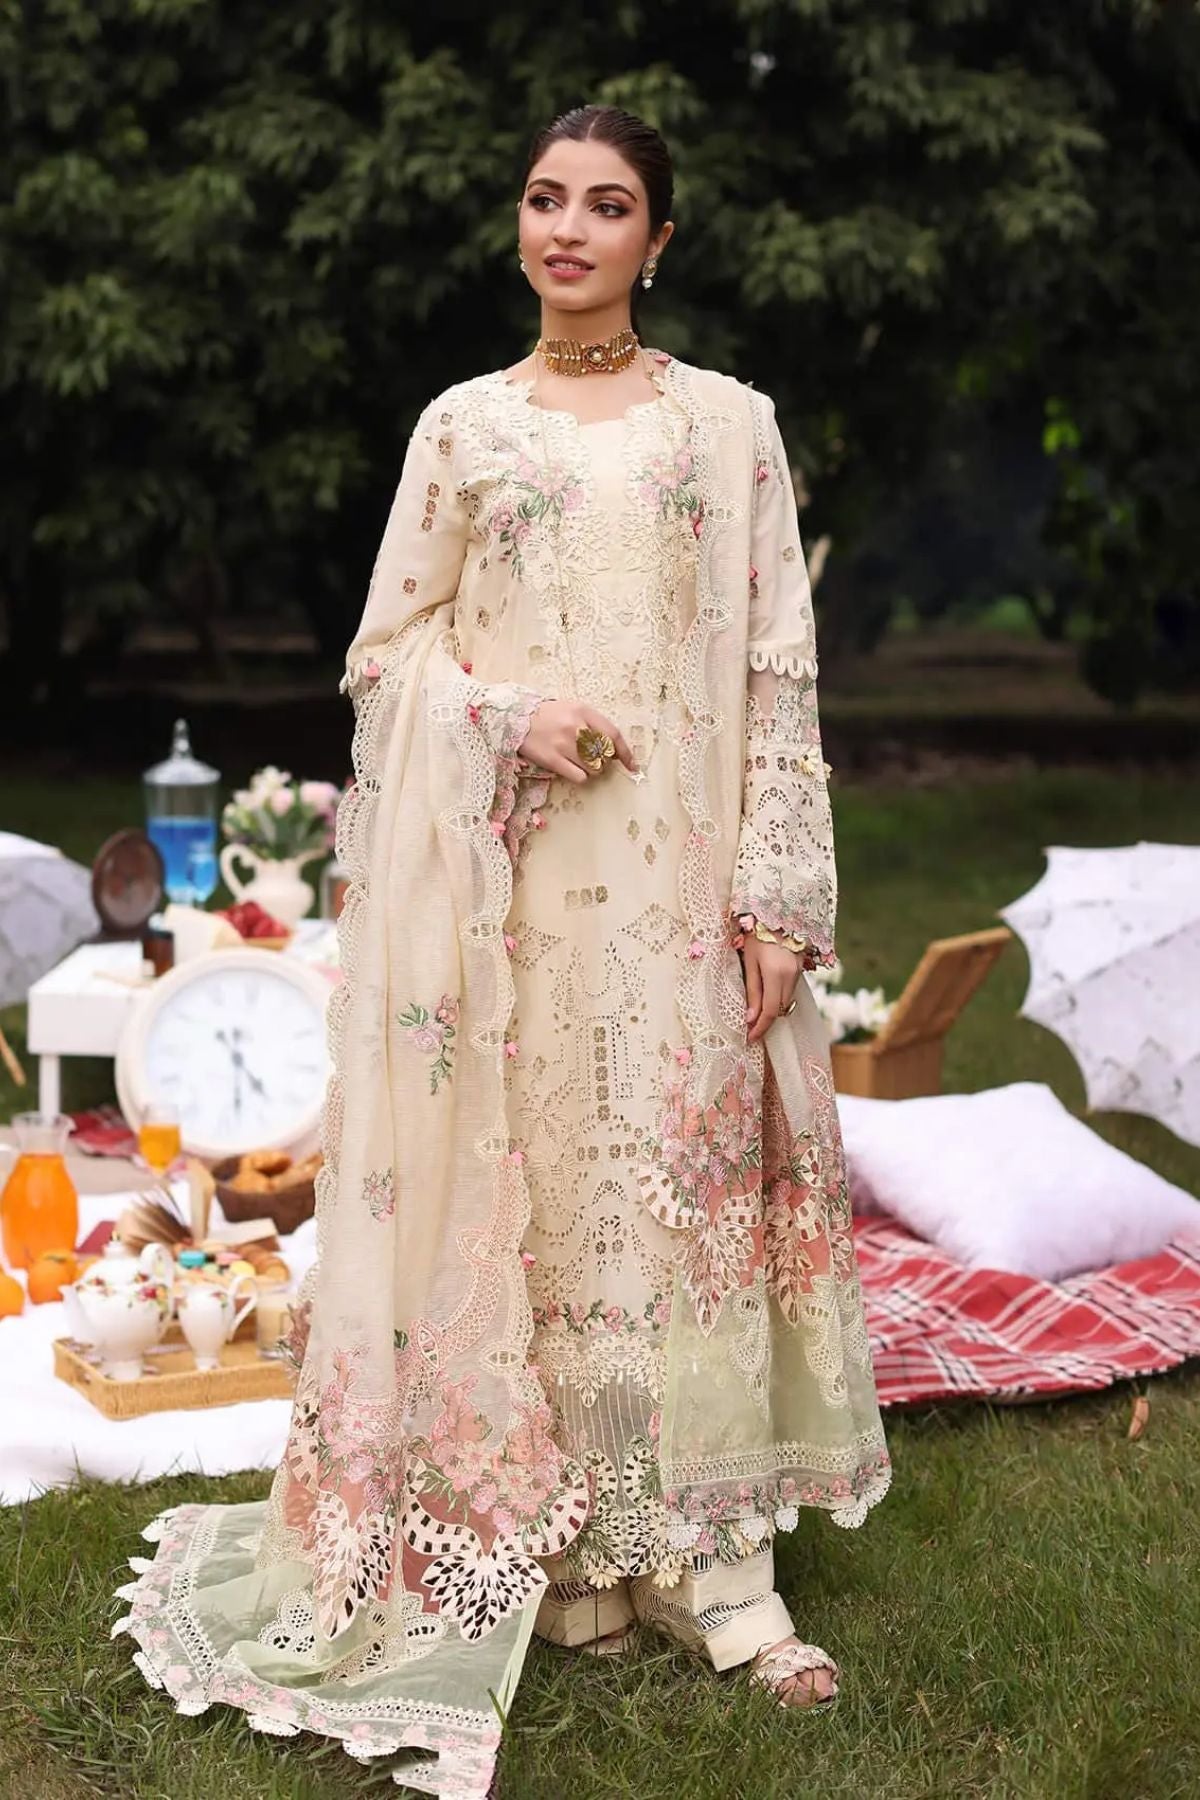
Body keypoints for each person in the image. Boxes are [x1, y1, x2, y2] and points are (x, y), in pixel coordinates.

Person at [112, 105, 891, 1800]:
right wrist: (503, 713)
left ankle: (718, 1571)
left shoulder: (730, 429)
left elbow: (780, 669)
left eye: (607, 205)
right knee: (535, 1204)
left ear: (657, 241)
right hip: (512, 896)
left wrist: (776, 897)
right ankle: (571, 1544)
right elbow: (384, 657)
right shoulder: (462, 428)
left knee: (683, 1198)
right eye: (546, 199)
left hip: (684, 890)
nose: (569, 229)